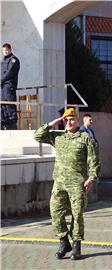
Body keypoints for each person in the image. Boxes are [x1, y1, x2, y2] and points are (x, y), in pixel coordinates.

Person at [34, 108, 100, 260]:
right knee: (55, 212)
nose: (68, 122)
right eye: (65, 120)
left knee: (77, 215)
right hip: (59, 183)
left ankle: (76, 245)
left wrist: (91, 178)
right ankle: (64, 242)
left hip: (78, 184)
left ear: (77, 120)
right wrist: (52, 123)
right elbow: (38, 136)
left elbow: (94, 160)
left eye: (71, 120)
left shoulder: (85, 138)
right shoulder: (58, 137)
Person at [1, 43, 20, 130]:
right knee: (3, 104)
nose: (5, 52)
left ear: (10, 50)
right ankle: (5, 121)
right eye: (3, 51)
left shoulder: (13, 60)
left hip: (9, 85)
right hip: (3, 86)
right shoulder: (4, 61)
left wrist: (1, 80)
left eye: (6, 50)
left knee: (9, 103)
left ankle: (12, 124)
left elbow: (10, 72)